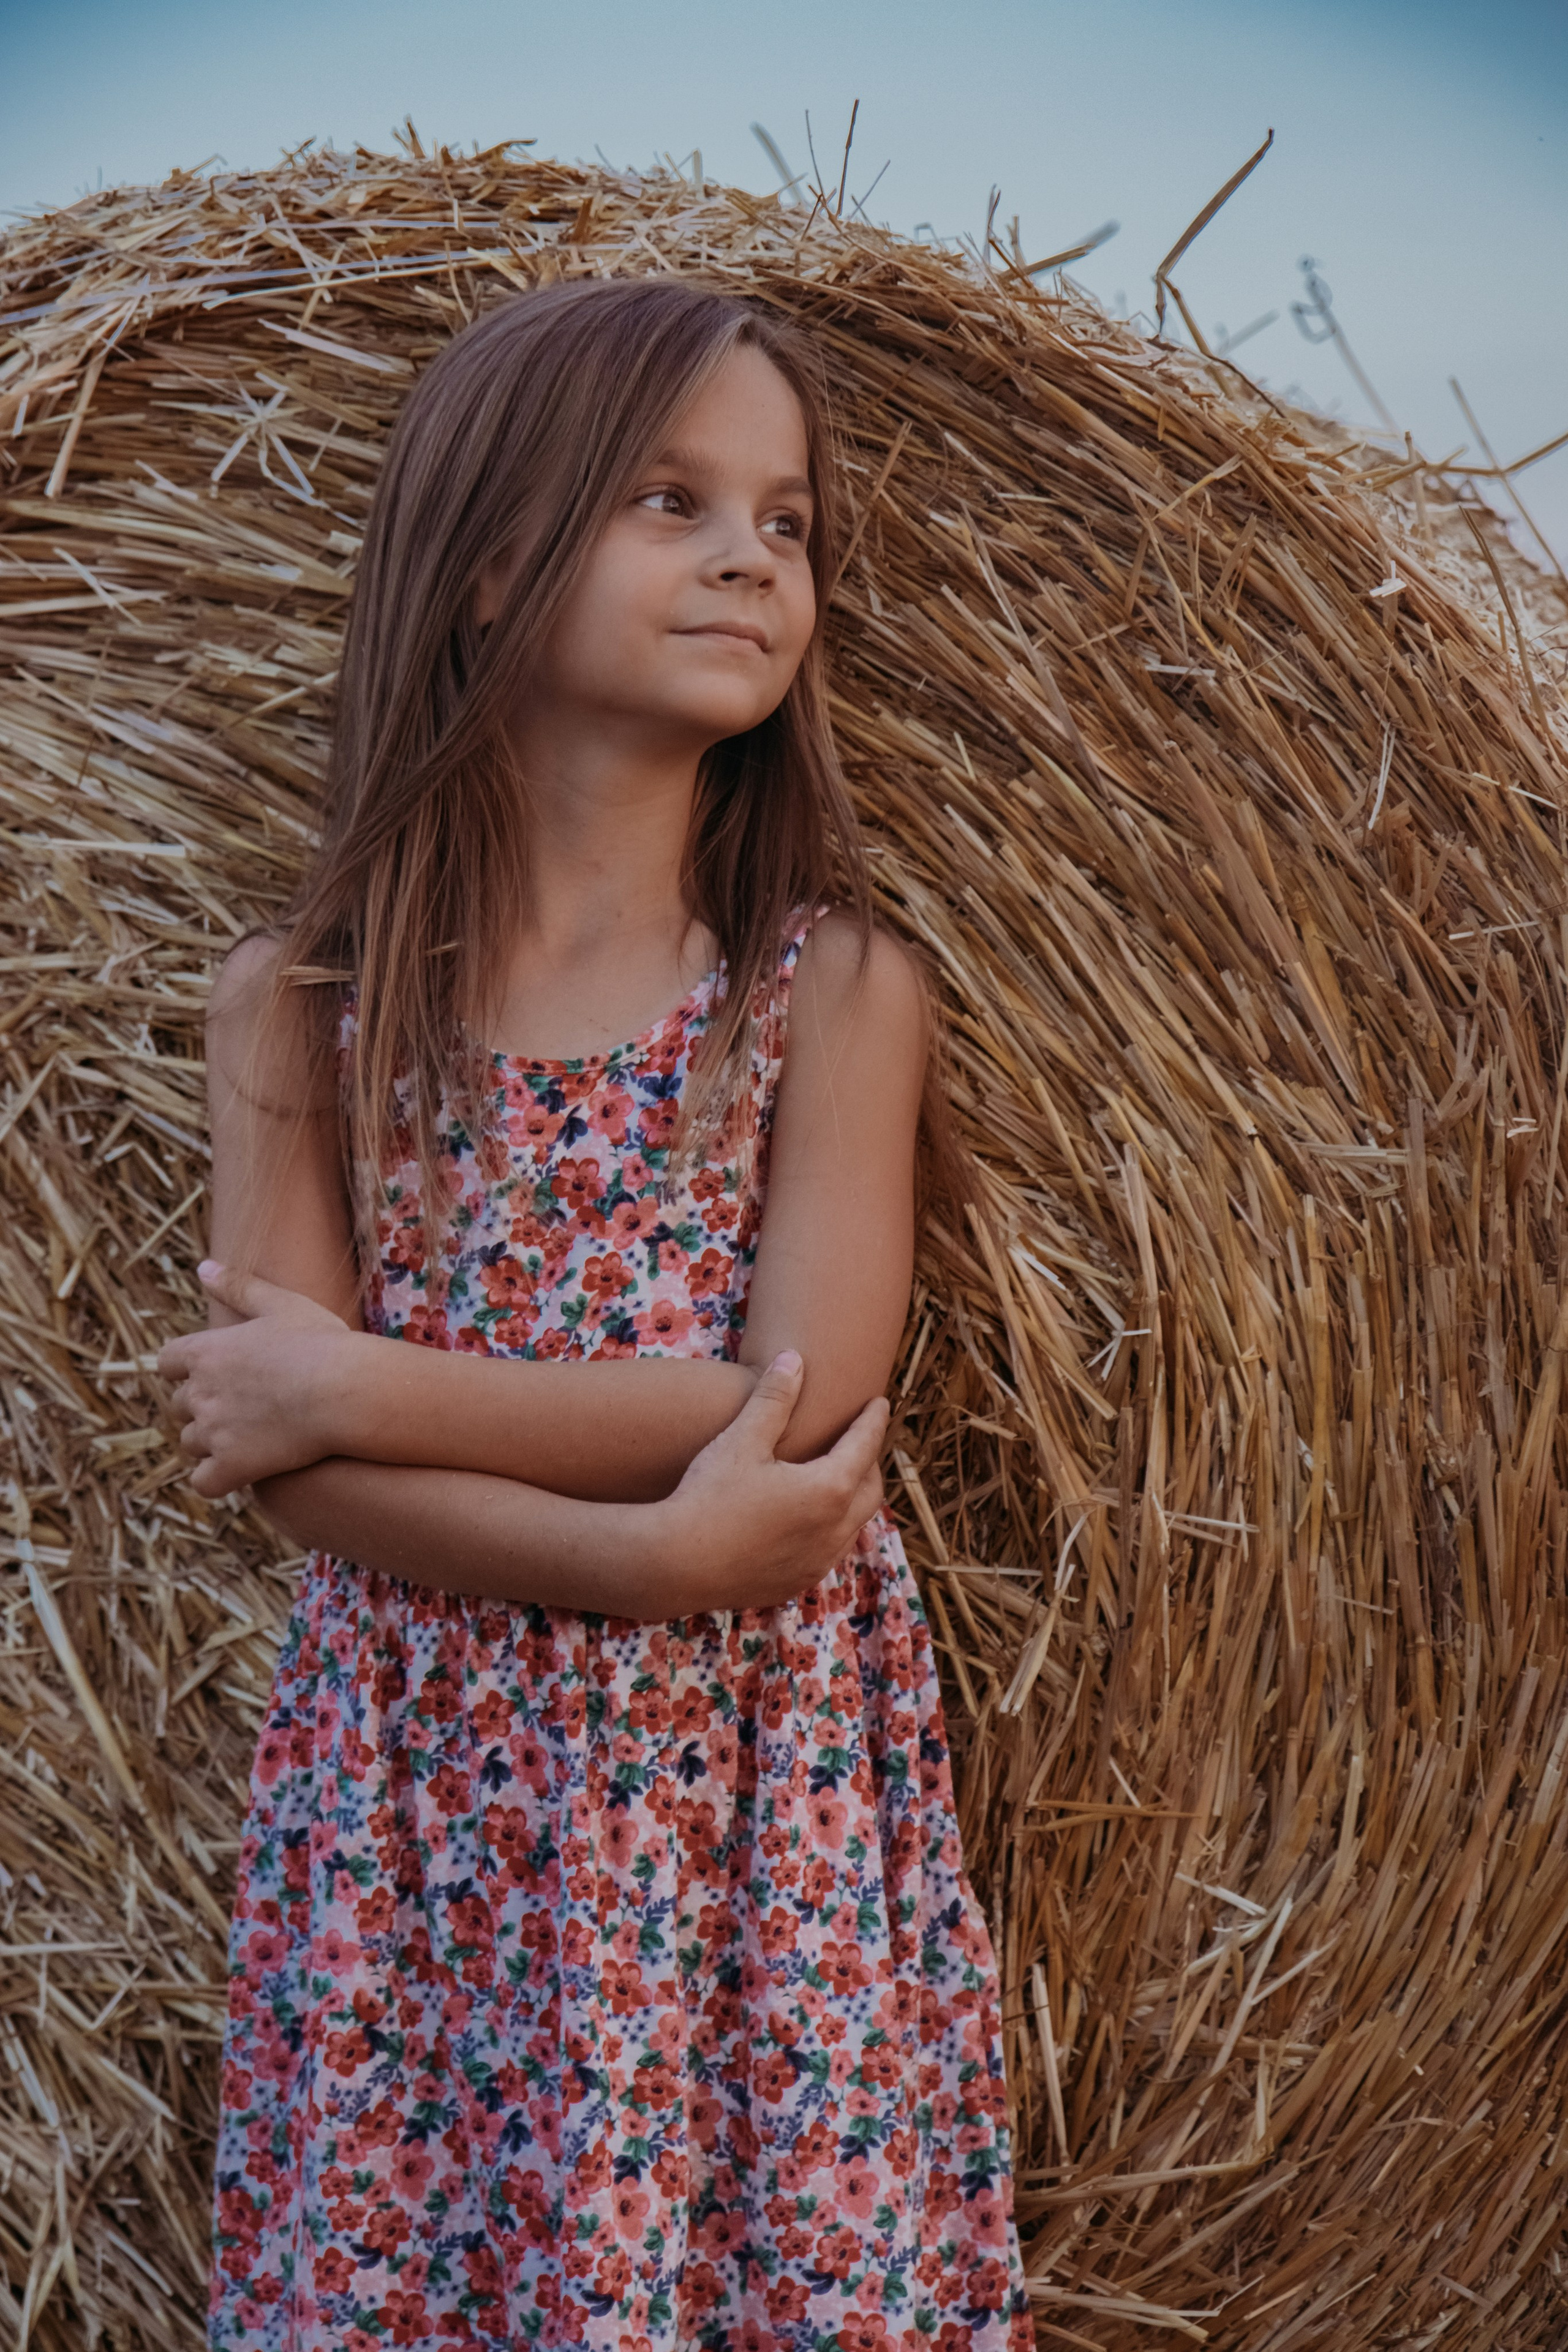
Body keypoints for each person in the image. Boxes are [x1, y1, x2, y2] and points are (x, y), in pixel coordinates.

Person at [162, 277, 1034, 2352]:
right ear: (481, 567)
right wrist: (654, 1550)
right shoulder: (297, 1008)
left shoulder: (832, 993)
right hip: (416, 1830)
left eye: (788, 519)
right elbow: (294, 1483)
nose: (751, 554)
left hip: (744, 1813)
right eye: (671, 499)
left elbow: (787, 1403)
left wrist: (360, 1381)